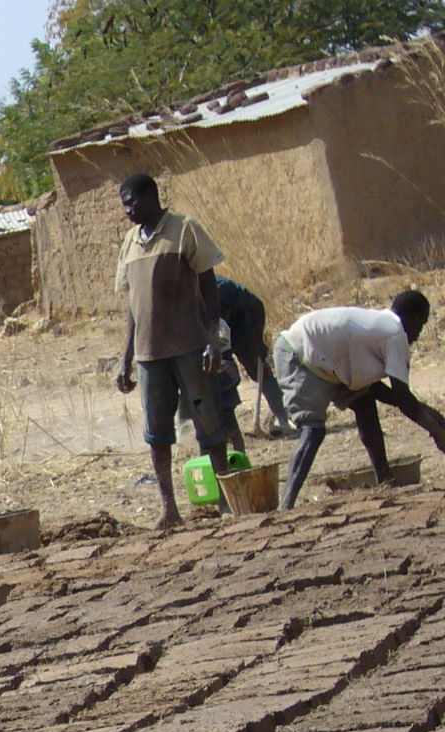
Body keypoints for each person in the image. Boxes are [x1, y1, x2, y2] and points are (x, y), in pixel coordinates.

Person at [113, 173, 227, 530]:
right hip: (149, 355)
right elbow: (134, 307)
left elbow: (209, 286)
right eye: (124, 205)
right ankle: (169, 507)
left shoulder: (184, 229)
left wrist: (213, 337)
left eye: (132, 202)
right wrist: (125, 357)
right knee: (157, 434)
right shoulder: (131, 242)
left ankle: (225, 500)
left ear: (152, 196)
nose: (128, 211)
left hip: (190, 346)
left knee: (209, 425)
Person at [276, 292, 445, 509]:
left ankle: (385, 480)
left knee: (365, 404)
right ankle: (286, 505)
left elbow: (386, 394)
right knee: (313, 430)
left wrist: (433, 416)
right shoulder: (394, 333)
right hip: (299, 354)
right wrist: (437, 431)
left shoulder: (380, 327)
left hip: (327, 360)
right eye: (420, 327)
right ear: (411, 319)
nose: (418, 335)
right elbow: (404, 400)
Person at [218, 276, 292, 437]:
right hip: (217, 330)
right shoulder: (184, 292)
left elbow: (256, 305)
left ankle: (284, 418)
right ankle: (222, 430)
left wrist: (257, 339)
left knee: (257, 369)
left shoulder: (221, 287)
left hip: (242, 326)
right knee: (216, 375)